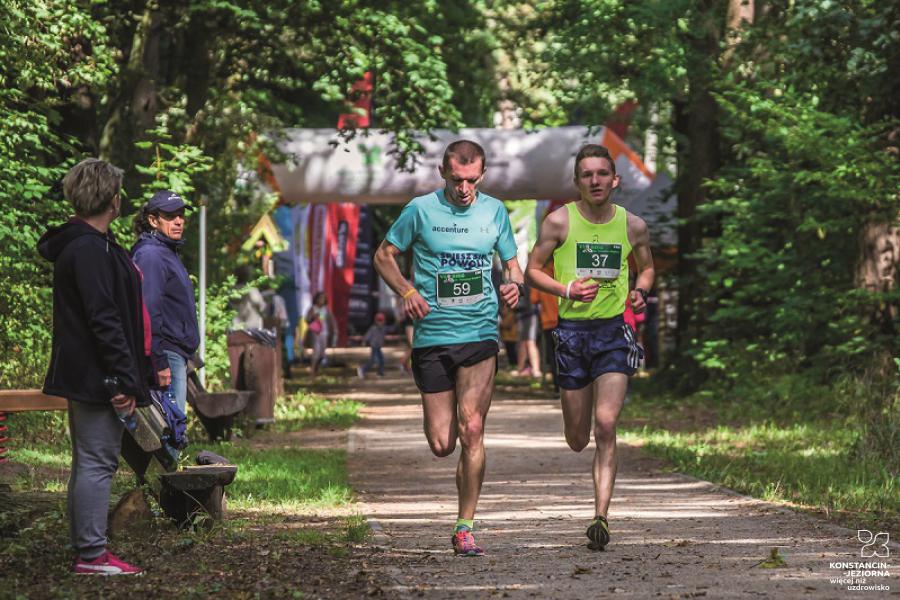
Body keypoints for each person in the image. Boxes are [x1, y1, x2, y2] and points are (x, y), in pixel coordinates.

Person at [373, 140, 523, 556]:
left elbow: (511, 262)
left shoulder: (494, 210)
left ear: (483, 175)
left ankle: (464, 526)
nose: (464, 188)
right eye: (457, 179)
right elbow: (384, 256)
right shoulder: (419, 210)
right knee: (442, 444)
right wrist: (406, 290)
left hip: (479, 334)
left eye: (472, 180)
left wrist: (514, 282)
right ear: (443, 172)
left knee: (472, 428)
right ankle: (461, 502)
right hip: (433, 338)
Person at [525, 144, 654, 551]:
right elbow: (531, 271)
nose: (595, 181)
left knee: (606, 424)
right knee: (578, 437)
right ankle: (576, 434)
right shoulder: (559, 222)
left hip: (613, 332)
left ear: (615, 180)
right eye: (587, 175)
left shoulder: (633, 226)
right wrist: (565, 289)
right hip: (571, 334)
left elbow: (646, 266)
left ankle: (601, 516)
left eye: (602, 173)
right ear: (577, 182)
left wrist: (641, 292)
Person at [38, 158, 151, 575]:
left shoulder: (93, 244)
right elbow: (103, 319)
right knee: (97, 461)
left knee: (89, 459)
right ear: (112, 199)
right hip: (97, 376)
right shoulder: (87, 248)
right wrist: (121, 378)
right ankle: (91, 554)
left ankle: (89, 549)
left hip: (94, 373)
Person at [131, 190, 199, 415]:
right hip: (166, 354)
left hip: (175, 353)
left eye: (181, 214)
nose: (179, 221)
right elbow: (147, 312)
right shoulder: (151, 255)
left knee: (172, 428)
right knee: (170, 432)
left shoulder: (166, 251)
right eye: (170, 216)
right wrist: (159, 362)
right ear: (153, 220)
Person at [305, 291, 334, 379]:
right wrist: (313, 317)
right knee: (316, 352)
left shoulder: (326, 309)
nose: (321, 300)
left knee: (322, 353)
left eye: (323, 298)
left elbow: (331, 321)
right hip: (315, 333)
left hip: (324, 333)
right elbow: (307, 319)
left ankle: (316, 369)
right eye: (320, 298)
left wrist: (333, 333)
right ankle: (312, 372)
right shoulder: (312, 308)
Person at [357, 312, 387, 378]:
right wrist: (364, 341)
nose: (380, 322)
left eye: (381, 320)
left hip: (378, 347)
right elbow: (367, 336)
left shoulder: (384, 328)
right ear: (376, 321)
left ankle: (380, 372)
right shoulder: (373, 329)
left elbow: (391, 328)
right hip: (374, 347)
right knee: (373, 360)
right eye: (379, 320)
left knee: (382, 360)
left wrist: (397, 322)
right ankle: (362, 369)